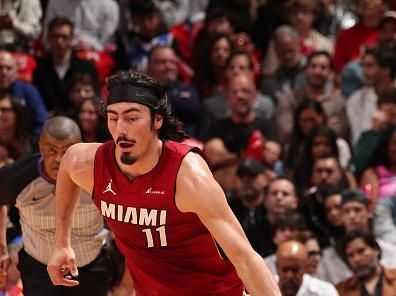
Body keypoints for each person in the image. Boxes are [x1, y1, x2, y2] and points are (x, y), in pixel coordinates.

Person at [47, 70, 281, 296]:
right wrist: (62, 244)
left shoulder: (188, 176)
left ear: (157, 120)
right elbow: (67, 165)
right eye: (113, 117)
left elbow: (245, 257)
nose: (121, 129)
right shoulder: (90, 163)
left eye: (132, 118)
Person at [0, 116, 111, 296]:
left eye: (66, 151)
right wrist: (2, 248)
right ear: (40, 146)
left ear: (79, 147)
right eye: (51, 150)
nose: (59, 159)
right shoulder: (19, 176)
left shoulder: (99, 173)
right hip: (38, 271)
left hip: (91, 268)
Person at [337, 230, 396, 296]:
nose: (357, 259)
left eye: (361, 251)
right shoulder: (341, 290)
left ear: (376, 250)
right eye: (351, 255)